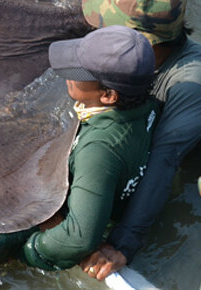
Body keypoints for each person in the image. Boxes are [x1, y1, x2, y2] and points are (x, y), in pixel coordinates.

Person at [78, 0, 201, 281]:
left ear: (145, 42)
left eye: (112, 29)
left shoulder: (192, 84)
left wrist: (123, 243)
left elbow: (164, 162)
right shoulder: (144, 60)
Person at [17, 25, 157, 271]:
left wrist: (32, 249)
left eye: (78, 73)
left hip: (75, 220)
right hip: (110, 189)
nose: (69, 76)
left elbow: (78, 239)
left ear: (109, 96)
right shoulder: (150, 104)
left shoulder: (98, 150)